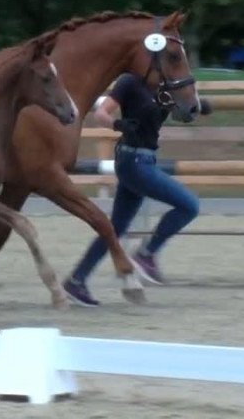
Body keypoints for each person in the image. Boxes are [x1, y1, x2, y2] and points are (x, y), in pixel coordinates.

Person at [63, 73, 212, 306]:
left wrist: (198, 106)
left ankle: (77, 280)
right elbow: (101, 113)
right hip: (132, 162)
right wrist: (118, 124)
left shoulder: (165, 88)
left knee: (114, 229)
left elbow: (181, 110)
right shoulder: (130, 83)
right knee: (189, 205)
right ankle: (146, 254)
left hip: (145, 161)